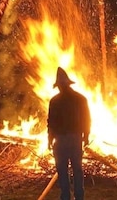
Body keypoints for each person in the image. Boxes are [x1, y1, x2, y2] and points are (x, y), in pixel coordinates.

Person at [47, 67, 91, 200]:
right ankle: (79, 195)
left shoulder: (54, 101)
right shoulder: (80, 99)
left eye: (60, 85)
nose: (60, 88)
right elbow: (87, 119)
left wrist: (50, 139)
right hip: (75, 138)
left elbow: (51, 122)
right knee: (77, 168)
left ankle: (66, 195)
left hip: (61, 140)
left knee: (62, 169)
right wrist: (86, 135)